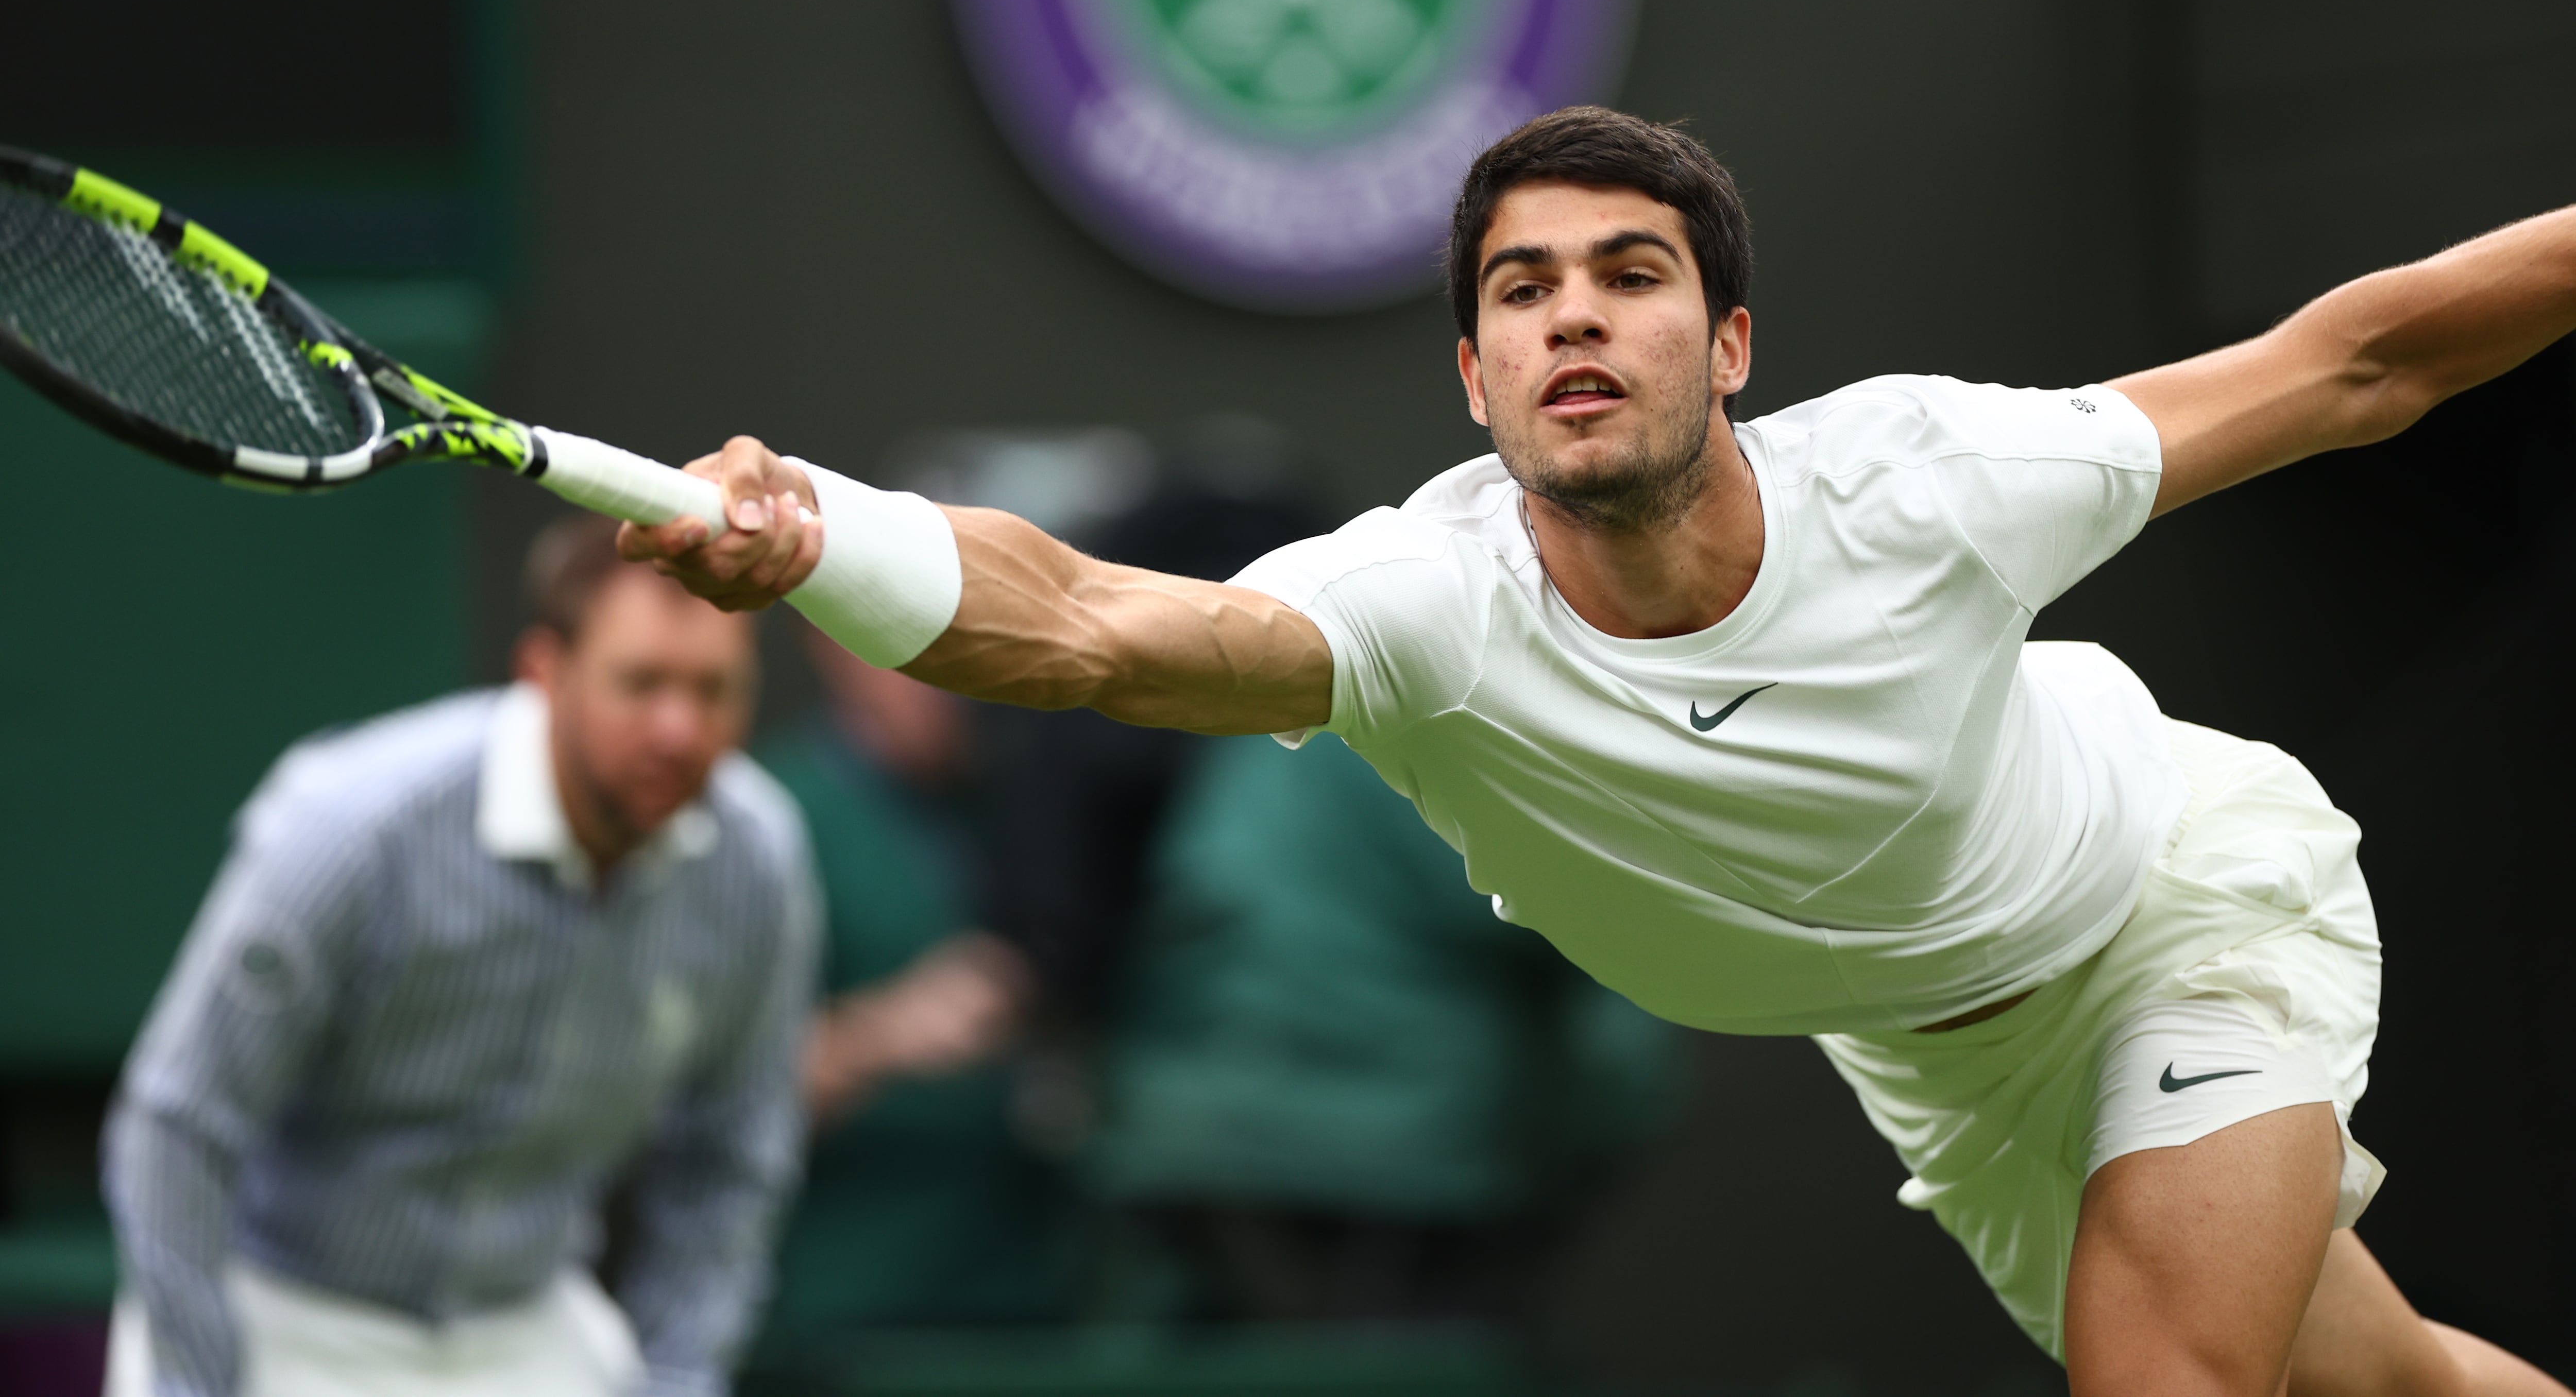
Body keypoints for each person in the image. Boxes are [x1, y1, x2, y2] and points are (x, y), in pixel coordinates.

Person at [623, 105, 2574, 1396]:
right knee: (2386, 1383)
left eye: (1628, 275)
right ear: (1471, 380)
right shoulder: (1420, 605)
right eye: (1518, 289)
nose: (1574, 317)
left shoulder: (1933, 478)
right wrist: (819, 538)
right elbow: (1082, 628)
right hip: (1949, 1070)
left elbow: (2358, 361)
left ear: (1727, 345)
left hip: (2169, 906)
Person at [105, 515, 817, 1397]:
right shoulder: (349, 826)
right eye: (641, 683)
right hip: (283, 1315)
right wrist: (191, 1378)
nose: (678, 728)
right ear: (544, 674)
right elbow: (179, 1122)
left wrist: (676, 1376)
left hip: (529, 1327)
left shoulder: (760, 860)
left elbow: (734, 1158)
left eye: (715, 689)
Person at [1092, 730, 1677, 1326]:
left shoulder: (1274, 710)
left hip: (1181, 1110)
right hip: (1385, 1137)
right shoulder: (1439, 713)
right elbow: (1543, 900)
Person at [753, 625, 1072, 1354]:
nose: (947, 681)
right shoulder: (773, 819)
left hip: (1028, 1307)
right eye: (912, 647)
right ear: (833, 645)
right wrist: (881, 1035)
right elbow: (689, 1100)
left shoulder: (1021, 803)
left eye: (967, 651)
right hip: (842, 1317)